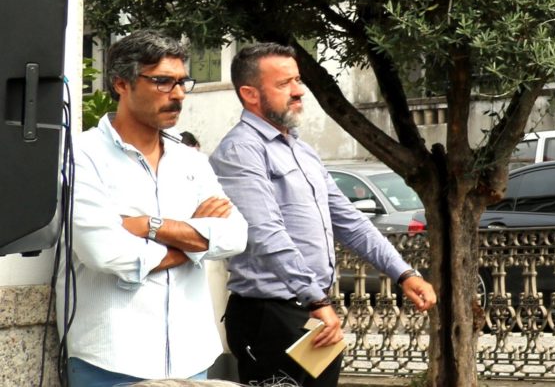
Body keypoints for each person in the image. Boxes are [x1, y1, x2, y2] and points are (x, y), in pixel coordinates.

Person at [211, 43, 436, 387]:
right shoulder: (240, 151)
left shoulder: (301, 149)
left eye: (298, 80)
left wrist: (403, 273)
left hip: (312, 309)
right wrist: (315, 298)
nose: (298, 91)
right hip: (271, 316)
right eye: (284, 83)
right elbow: (266, 234)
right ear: (250, 94)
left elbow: (350, 221)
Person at [68, 31, 248, 387]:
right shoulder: (82, 156)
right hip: (111, 360)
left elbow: (235, 235)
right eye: (163, 82)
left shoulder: (190, 160)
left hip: (190, 358)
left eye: (182, 82)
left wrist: (149, 226)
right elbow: (106, 253)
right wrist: (194, 242)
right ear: (122, 83)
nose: (178, 94)